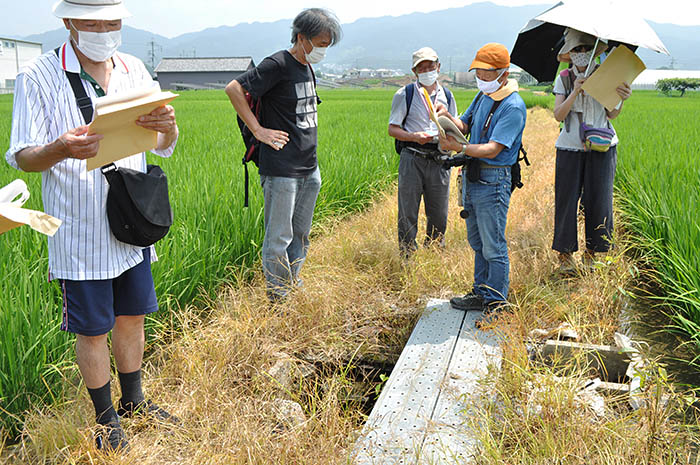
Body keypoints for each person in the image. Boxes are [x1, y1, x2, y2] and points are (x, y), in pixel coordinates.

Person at [5, 0, 180, 452]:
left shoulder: (135, 68)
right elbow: (23, 156)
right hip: (79, 230)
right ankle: (105, 419)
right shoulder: (38, 76)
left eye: (112, 22)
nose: (104, 30)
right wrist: (61, 149)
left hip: (131, 222)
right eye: (92, 23)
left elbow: (162, 144)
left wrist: (168, 127)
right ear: (68, 23)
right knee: (92, 328)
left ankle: (135, 401)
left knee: (132, 316)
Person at [225, 8, 342, 302]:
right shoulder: (277, 63)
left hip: (308, 166)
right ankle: (279, 299)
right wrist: (259, 130)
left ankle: (292, 284)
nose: (323, 50)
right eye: (320, 42)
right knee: (279, 238)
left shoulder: (307, 66)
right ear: (302, 38)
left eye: (328, 44)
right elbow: (234, 88)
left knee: (300, 234)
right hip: (280, 168)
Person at [437, 43, 526, 325]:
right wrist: (444, 117)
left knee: (493, 245)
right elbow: (464, 124)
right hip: (474, 177)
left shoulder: (512, 105)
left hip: (493, 179)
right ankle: (480, 292)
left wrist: (459, 148)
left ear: (503, 73)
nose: (482, 79)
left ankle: (497, 305)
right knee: (477, 241)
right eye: (479, 73)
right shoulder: (483, 96)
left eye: (487, 74)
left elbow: (492, 149)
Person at [551, 28, 631, 275]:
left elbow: (612, 114)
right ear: (570, 53)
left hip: (602, 145)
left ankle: (593, 253)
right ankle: (565, 255)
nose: (582, 53)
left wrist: (622, 98)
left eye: (586, 48)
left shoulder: (606, 76)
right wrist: (575, 90)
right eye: (577, 49)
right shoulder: (564, 78)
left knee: (599, 198)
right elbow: (558, 115)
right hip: (571, 146)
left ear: (595, 51)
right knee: (566, 200)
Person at [388, 47, 457, 257]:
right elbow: (393, 129)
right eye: (422, 68)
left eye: (431, 66)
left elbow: (454, 125)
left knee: (439, 212)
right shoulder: (405, 94)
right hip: (413, 156)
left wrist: (448, 138)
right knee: (407, 211)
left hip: (439, 157)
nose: (427, 70)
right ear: (414, 71)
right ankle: (407, 255)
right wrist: (415, 137)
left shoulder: (447, 95)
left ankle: (434, 253)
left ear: (438, 66)